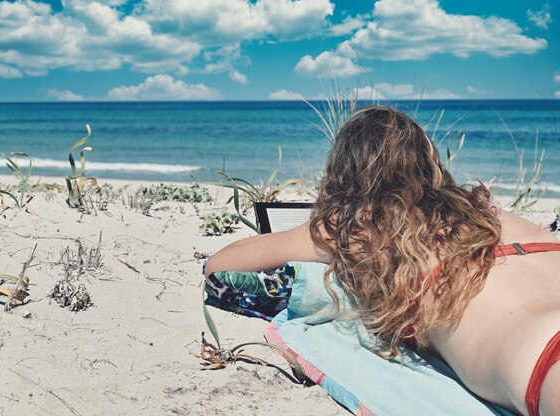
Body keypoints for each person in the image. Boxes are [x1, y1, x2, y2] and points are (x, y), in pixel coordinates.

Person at [204, 106, 560, 416]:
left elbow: (219, 266)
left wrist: (322, 224)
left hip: (540, 353)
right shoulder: (488, 212)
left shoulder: (361, 228)